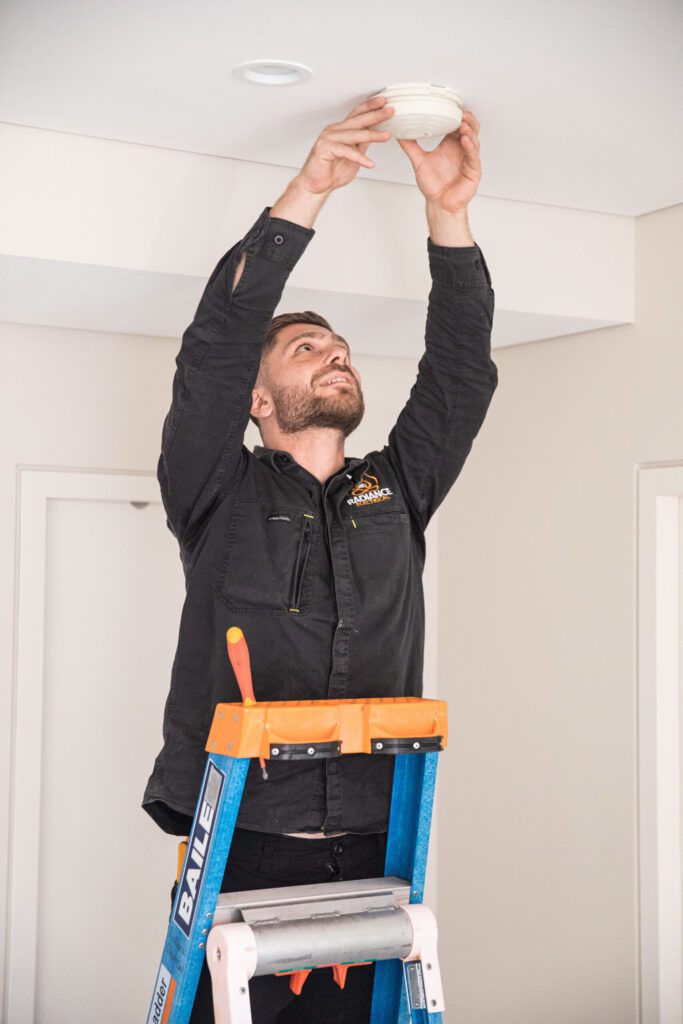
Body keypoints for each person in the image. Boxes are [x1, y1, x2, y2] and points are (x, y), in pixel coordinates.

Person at [143, 94, 498, 1022]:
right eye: (307, 350)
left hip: (380, 835)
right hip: (246, 839)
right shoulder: (215, 489)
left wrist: (447, 217)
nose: (334, 354)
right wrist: (307, 192)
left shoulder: (398, 490)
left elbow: (460, 374)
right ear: (259, 401)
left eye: (338, 348)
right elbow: (213, 350)